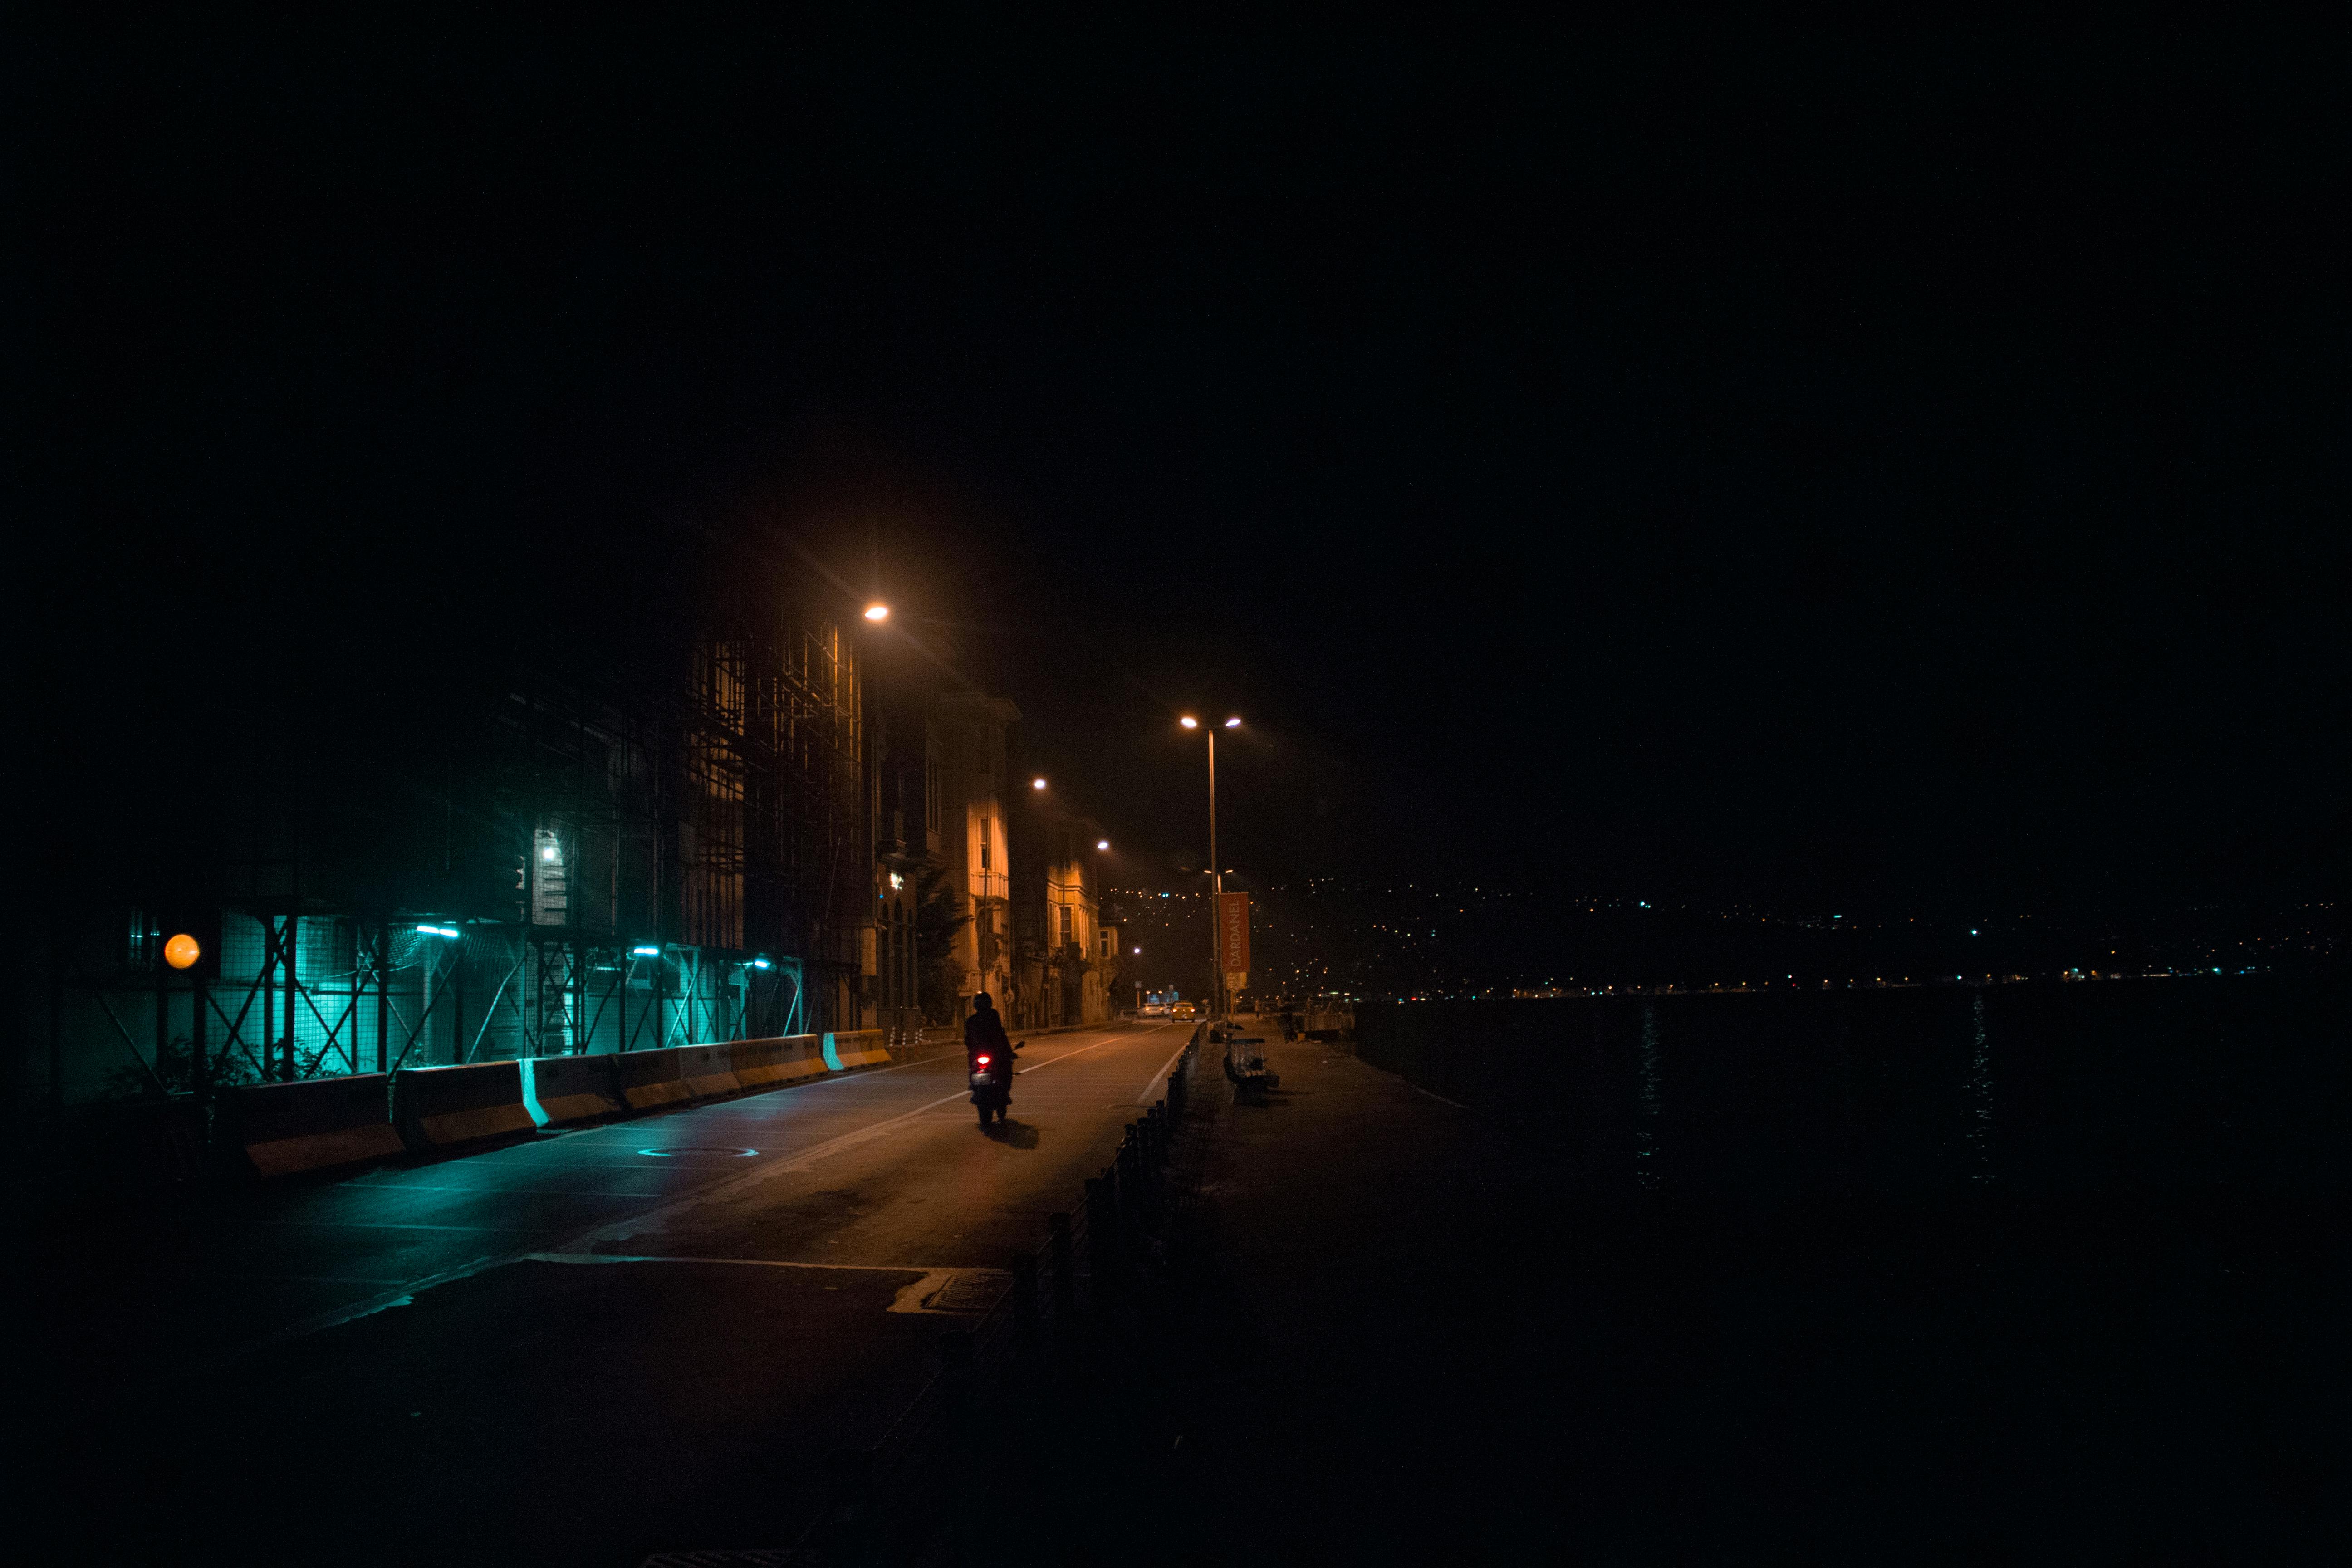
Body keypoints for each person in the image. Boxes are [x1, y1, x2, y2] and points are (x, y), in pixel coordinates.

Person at [964, 991, 1015, 1117]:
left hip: (979, 1055)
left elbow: (967, 1041)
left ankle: (975, 1086)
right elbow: (1001, 1035)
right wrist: (1009, 1052)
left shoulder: (971, 1020)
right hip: (993, 1054)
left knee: (975, 1068)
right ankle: (1003, 1092)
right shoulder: (993, 1016)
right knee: (1006, 1069)